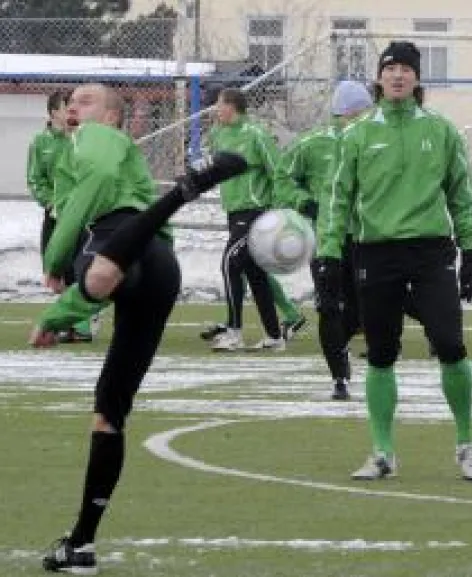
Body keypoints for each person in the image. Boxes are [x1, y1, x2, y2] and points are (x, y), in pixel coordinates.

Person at [31, 83, 246, 574]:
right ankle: (81, 544)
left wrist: (56, 256)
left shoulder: (94, 137)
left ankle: (182, 192)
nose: (73, 108)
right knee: (109, 412)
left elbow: (98, 180)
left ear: (111, 117)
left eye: (85, 101)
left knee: (100, 275)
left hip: (118, 243)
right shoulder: (85, 142)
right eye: (71, 104)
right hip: (159, 265)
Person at [318, 41, 472, 481]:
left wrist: (469, 250)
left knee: (450, 344)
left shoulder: (443, 131)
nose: (397, 75)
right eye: (389, 67)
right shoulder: (356, 135)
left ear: (416, 78)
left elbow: (461, 194)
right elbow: (337, 199)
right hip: (376, 253)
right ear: (379, 78)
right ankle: (382, 452)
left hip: (432, 252)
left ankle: (467, 443)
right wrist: (329, 256)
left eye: (405, 69)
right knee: (381, 353)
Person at [275, 80, 374, 400]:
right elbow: (282, 178)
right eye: (362, 112)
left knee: (359, 311)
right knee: (328, 306)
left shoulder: (373, 142)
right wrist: (304, 202)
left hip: (364, 237)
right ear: (348, 111)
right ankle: (339, 377)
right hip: (326, 237)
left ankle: (340, 345)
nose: (367, 118)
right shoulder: (313, 143)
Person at [206, 88, 287, 351]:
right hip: (234, 212)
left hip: (256, 212)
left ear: (232, 106)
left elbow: (278, 172)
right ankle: (275, 336)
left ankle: (234, 332)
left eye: (219, 103)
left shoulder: (256, 134)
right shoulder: (218, 134)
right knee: (255, 272)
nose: (216, 109)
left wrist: (277, 211)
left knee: (230, 262)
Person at [28, 90, 97, 343]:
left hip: (81, 215)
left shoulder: (83, 139)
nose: (72, 110)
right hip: (55, 214)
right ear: (54, 112)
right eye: (66, 106)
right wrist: (50, 202)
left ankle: (82, 326)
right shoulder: (41, 142)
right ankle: (74, 318)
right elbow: (35, 179)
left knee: (79, 267)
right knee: (55, 271)